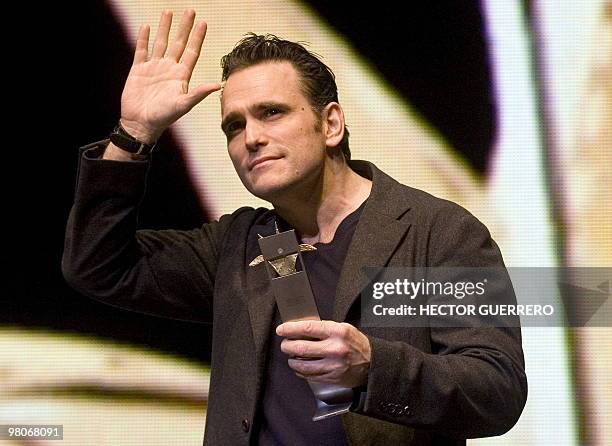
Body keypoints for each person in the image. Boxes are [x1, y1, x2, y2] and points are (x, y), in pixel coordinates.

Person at [62, 9, 527, 445]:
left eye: (272, 112)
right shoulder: (241, 244)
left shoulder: (437, 232)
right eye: (233, 126)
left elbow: (496, 391)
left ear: (330, 123)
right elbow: (100, 265)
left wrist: (373, 367)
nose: (251, 137)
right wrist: (133, 133)